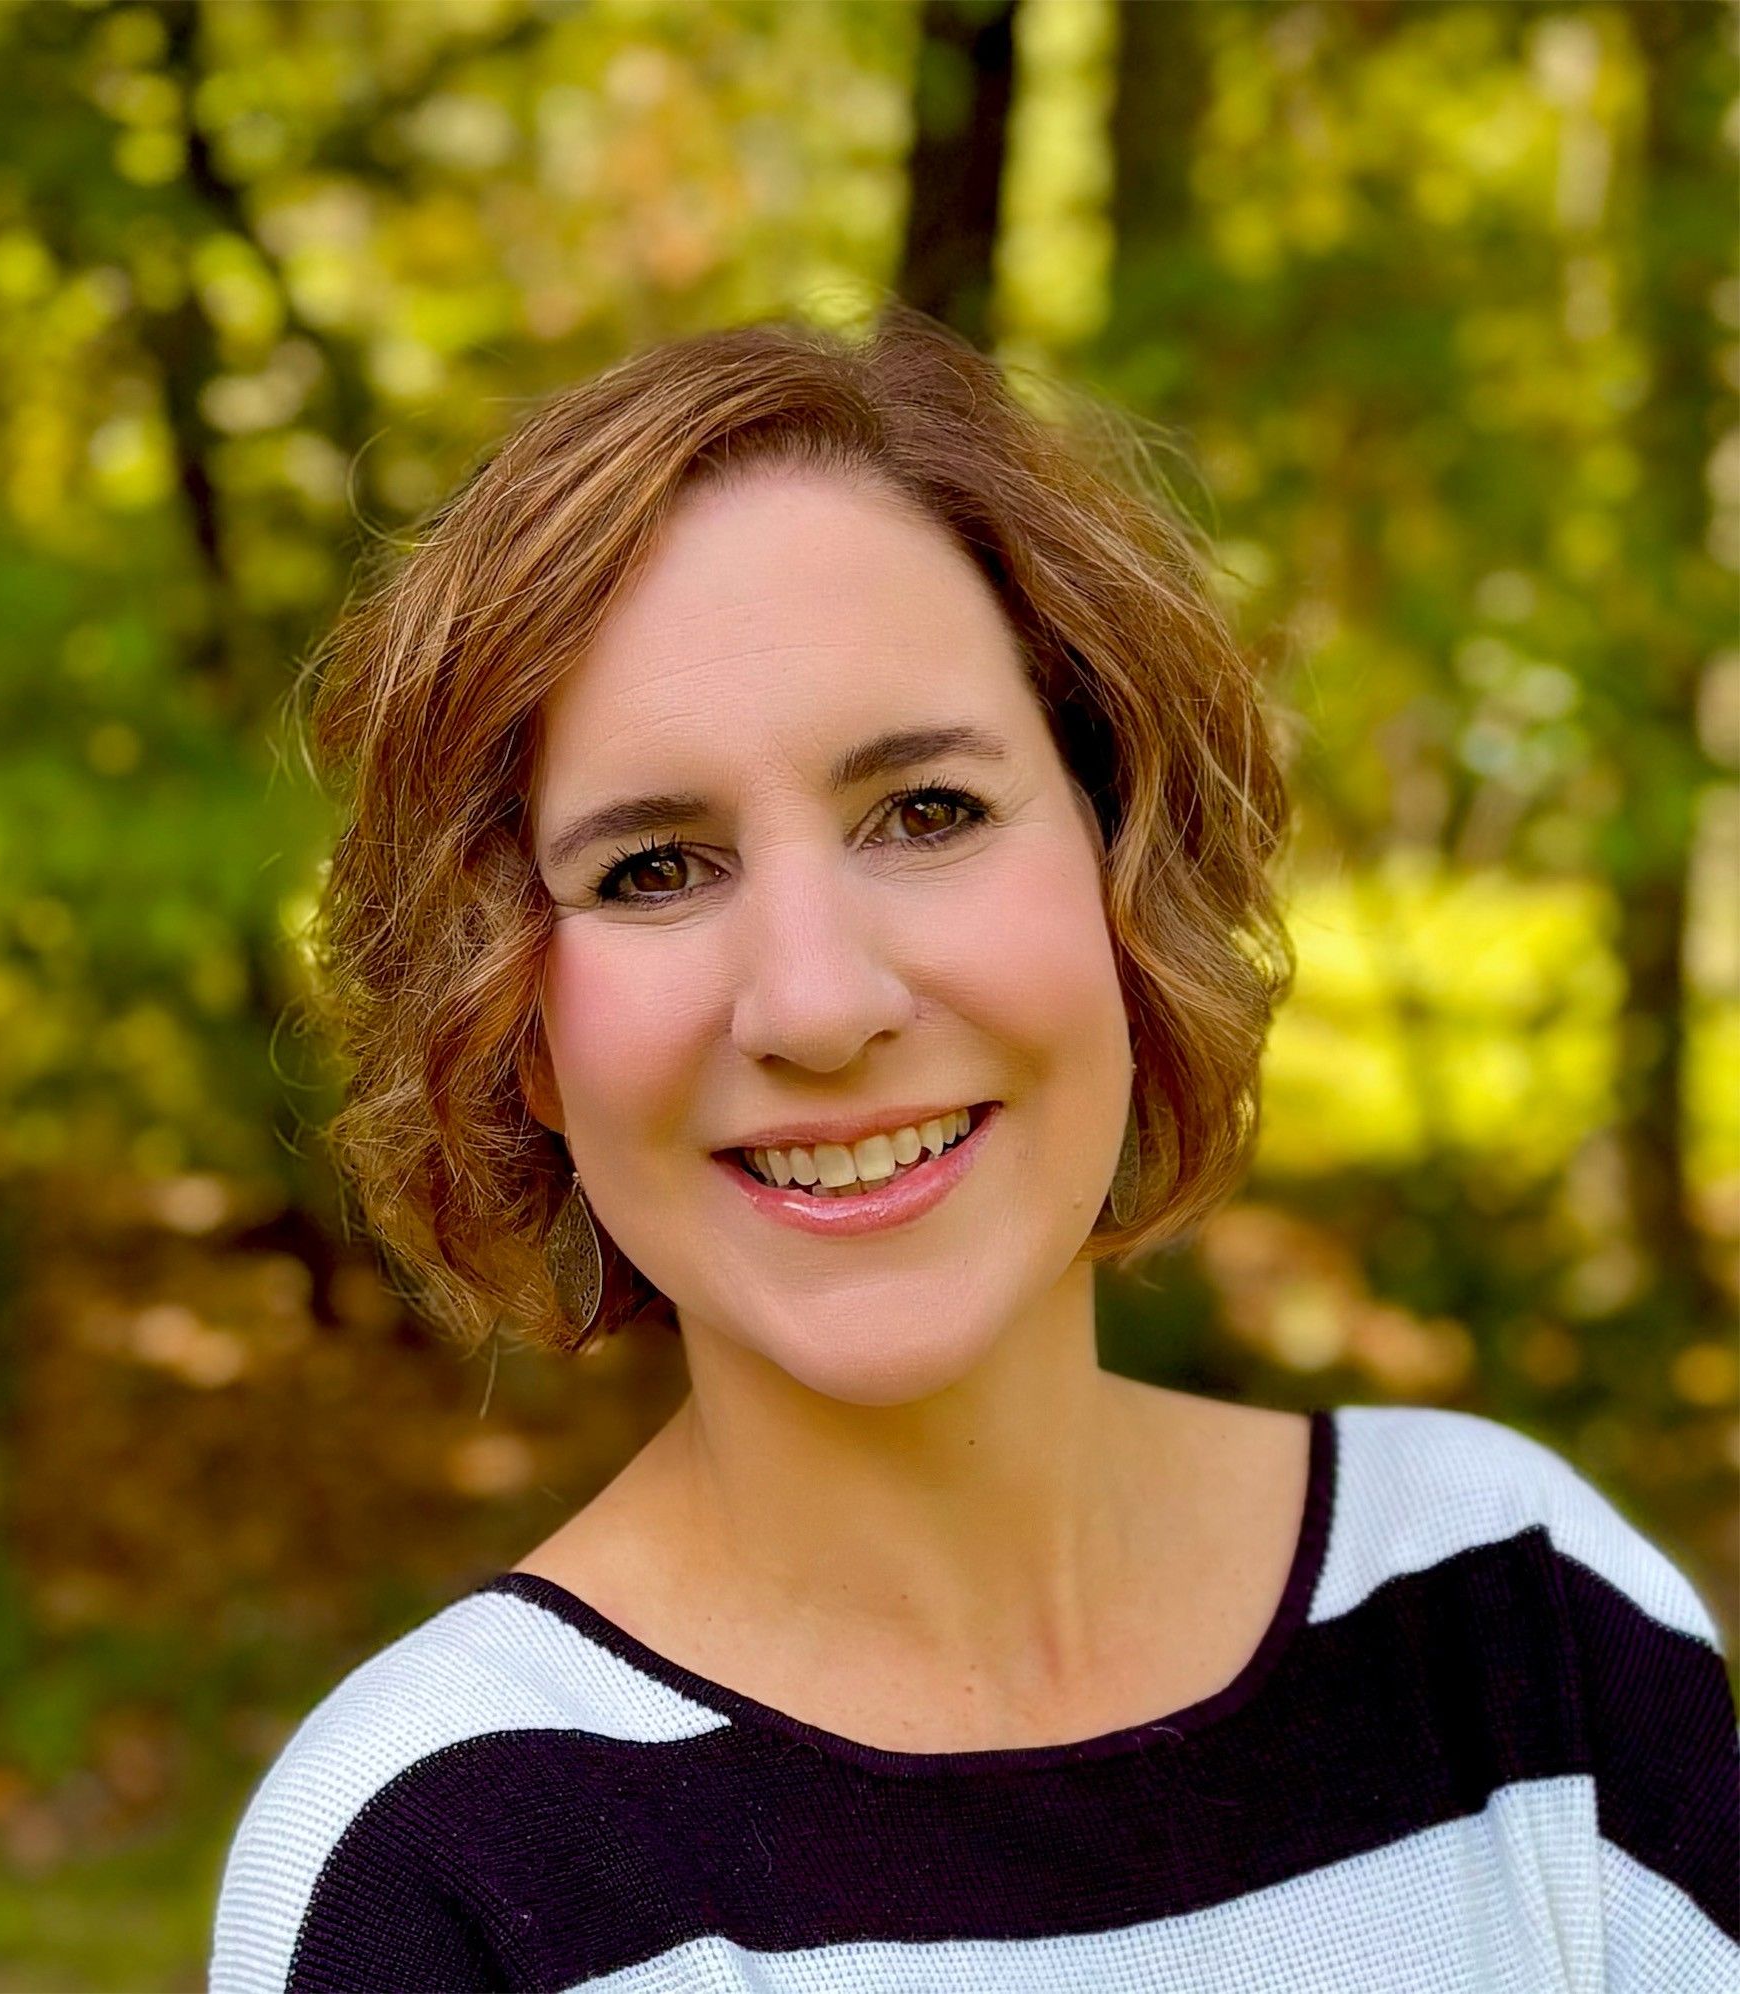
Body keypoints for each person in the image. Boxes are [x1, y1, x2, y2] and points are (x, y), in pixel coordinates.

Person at [209, 306, 1737, 1993]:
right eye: (652, 866)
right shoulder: (434, 1865)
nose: (816, 1000)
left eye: (925, 811)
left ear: (1120, 866)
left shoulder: (1524, 1616)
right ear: (520, 1023)